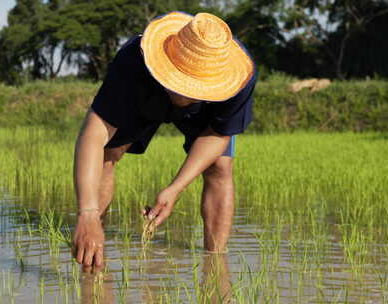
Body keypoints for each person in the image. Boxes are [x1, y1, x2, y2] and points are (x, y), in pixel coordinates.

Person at [72, 11, 257, 268]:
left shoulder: (239, 79)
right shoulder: (133, 60)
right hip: (145, 95)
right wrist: (86, 212)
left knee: (221, 167)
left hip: (206, 110)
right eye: (182, 84)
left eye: (194, 87)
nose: (186, 93)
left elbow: (219, 134)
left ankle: (215, 266)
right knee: (108, 155)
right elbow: (94, 134)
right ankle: (92, 247)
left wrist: (175, 189)